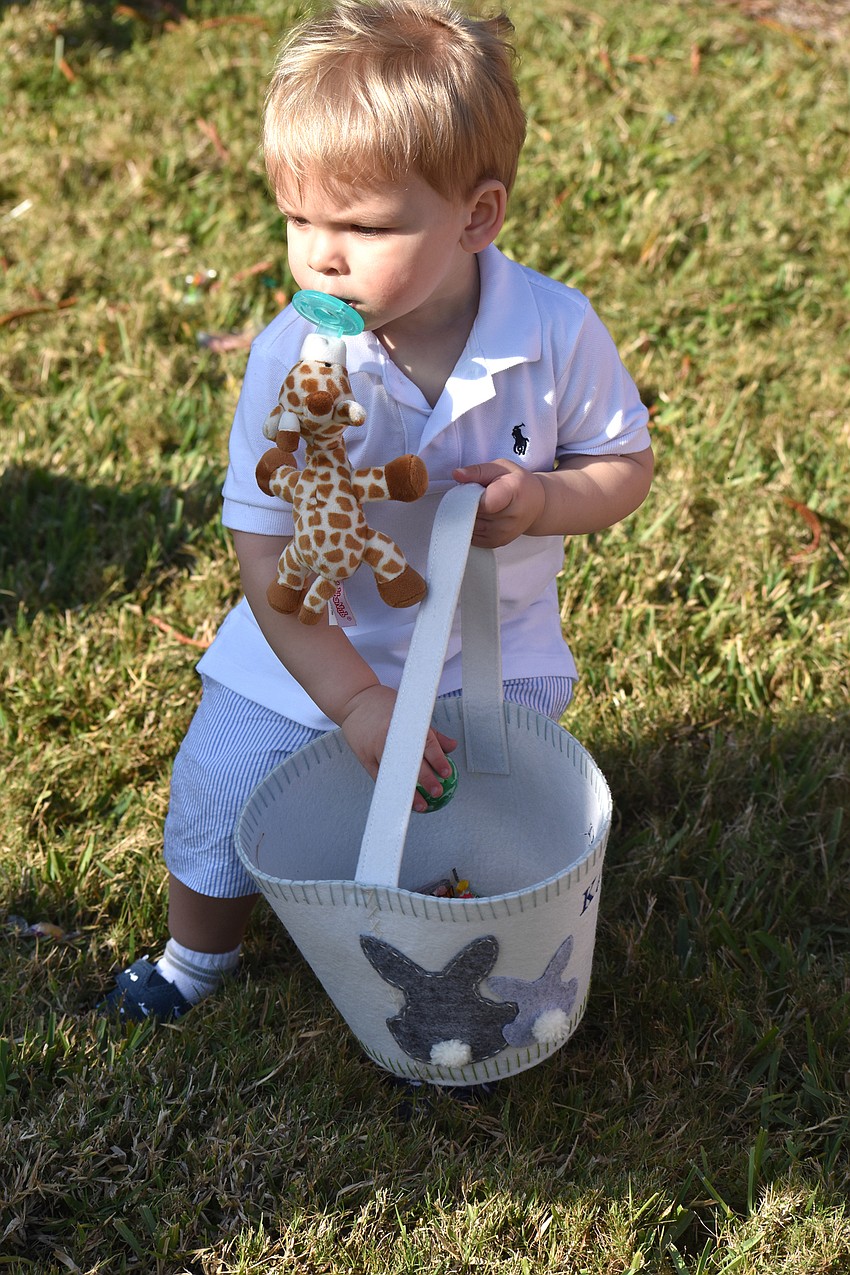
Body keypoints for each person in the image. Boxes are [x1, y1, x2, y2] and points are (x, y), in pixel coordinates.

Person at [102, 0, 653, 1021]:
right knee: (220, 783)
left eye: (362, 226)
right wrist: (355, 700)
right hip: (312, 643)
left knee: (483, 816)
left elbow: (623, 464)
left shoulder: (552, 332)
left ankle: (455, 971)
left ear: (475, 218)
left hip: (489, 647)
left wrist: (544, 500)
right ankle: (193, 963)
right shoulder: (294, 360)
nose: (320, 257)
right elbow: (264, 551)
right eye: (298, 218)